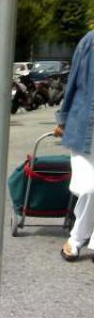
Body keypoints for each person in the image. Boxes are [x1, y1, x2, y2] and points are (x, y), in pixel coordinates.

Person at [53, 30, 94, 262]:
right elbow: (74, 81)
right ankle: (78, 236)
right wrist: (64, 118)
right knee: (89, 188)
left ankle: (78, 240)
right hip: (84, 127)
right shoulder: (90, 41)